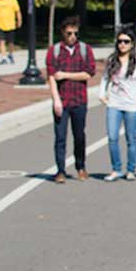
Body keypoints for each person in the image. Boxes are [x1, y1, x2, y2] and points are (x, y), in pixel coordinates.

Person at [100, 29, 136, 181]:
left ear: (132, 44)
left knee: (131, 138)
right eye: (120, 41)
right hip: (114, 103)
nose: (122, 45)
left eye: (126, 42)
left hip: (133, 105)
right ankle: (116, 169)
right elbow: (105, 78)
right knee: (112, 137)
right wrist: (102, 94)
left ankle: (130, 169)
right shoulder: (112, 60)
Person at [47, 18, 96, 184]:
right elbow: (52, 76)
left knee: (79, 135)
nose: (72, 36)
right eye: (69, 33)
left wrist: (66, 75)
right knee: (60, 136)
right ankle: (60, 170)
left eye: (75, 33)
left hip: (79, 99)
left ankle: (81, 167)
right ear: (62, 32)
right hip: (62, 100)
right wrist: (56, 100)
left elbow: (88, 73)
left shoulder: (85, 50)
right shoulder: (54, 51)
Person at [0, 0, 22, 65]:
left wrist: (19, 20)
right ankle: (3, 57)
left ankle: (10, 54)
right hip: (0, 25)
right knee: (1, 41)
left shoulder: (13, 0)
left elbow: (17, 11)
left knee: (11, 42)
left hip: (10, 25)